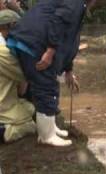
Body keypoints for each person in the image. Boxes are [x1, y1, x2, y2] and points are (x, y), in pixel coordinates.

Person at [7, 0, 96, 146]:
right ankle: (46, 136)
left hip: (31, 40)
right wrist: (50, 51)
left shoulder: (78, 6)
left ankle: (50, 128)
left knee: (47, 85)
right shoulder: (75, 3)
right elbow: (58, 22)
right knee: (46, 86)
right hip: (34, 43)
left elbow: (69, 40)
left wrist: (68, 70)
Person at [0, 9, 36, 143]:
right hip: (3, 108)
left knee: (28, 107)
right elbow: (28, 75)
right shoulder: (4, 52)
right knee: (30, 124)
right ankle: (4, 131)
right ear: (10, 26)